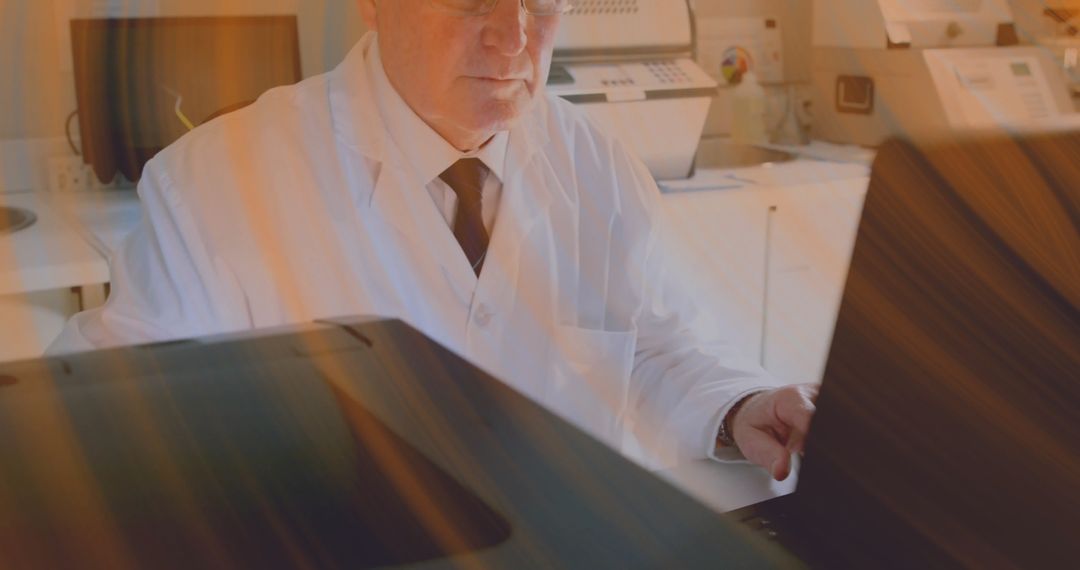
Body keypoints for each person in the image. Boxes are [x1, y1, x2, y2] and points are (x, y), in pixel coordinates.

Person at [50, 0, 816, 480]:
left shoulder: (596, 164)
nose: (514, 38)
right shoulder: (215, 185)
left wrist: (739, 406)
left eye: (542, 2)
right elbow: (110, 428)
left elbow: (655, 345)